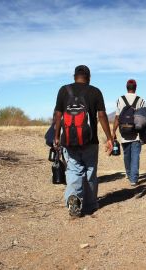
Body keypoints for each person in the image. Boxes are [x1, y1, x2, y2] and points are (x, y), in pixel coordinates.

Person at [53, 65, 113, 217]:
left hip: (68, 140)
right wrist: (109, 137)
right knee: (90, 171)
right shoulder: (95, 91)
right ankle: (90, 204)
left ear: (74, 76)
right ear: (89, 77)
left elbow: (58, 115)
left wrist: (56, 136)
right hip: (90, 140)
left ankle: (74, 197)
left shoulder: (63, 90)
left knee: (74, 170)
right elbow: (102, 115)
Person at [112, 79, 146, 186]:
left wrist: (113, 131)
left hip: (124, 134)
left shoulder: (120, 100)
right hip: (136, 134)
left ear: (126, 87)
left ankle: (129, 173)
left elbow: (117, 117)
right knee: (135, 156)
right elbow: (144, 118)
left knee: (127, 155)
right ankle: (134, 179)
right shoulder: (140, 100)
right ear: (135, 88)